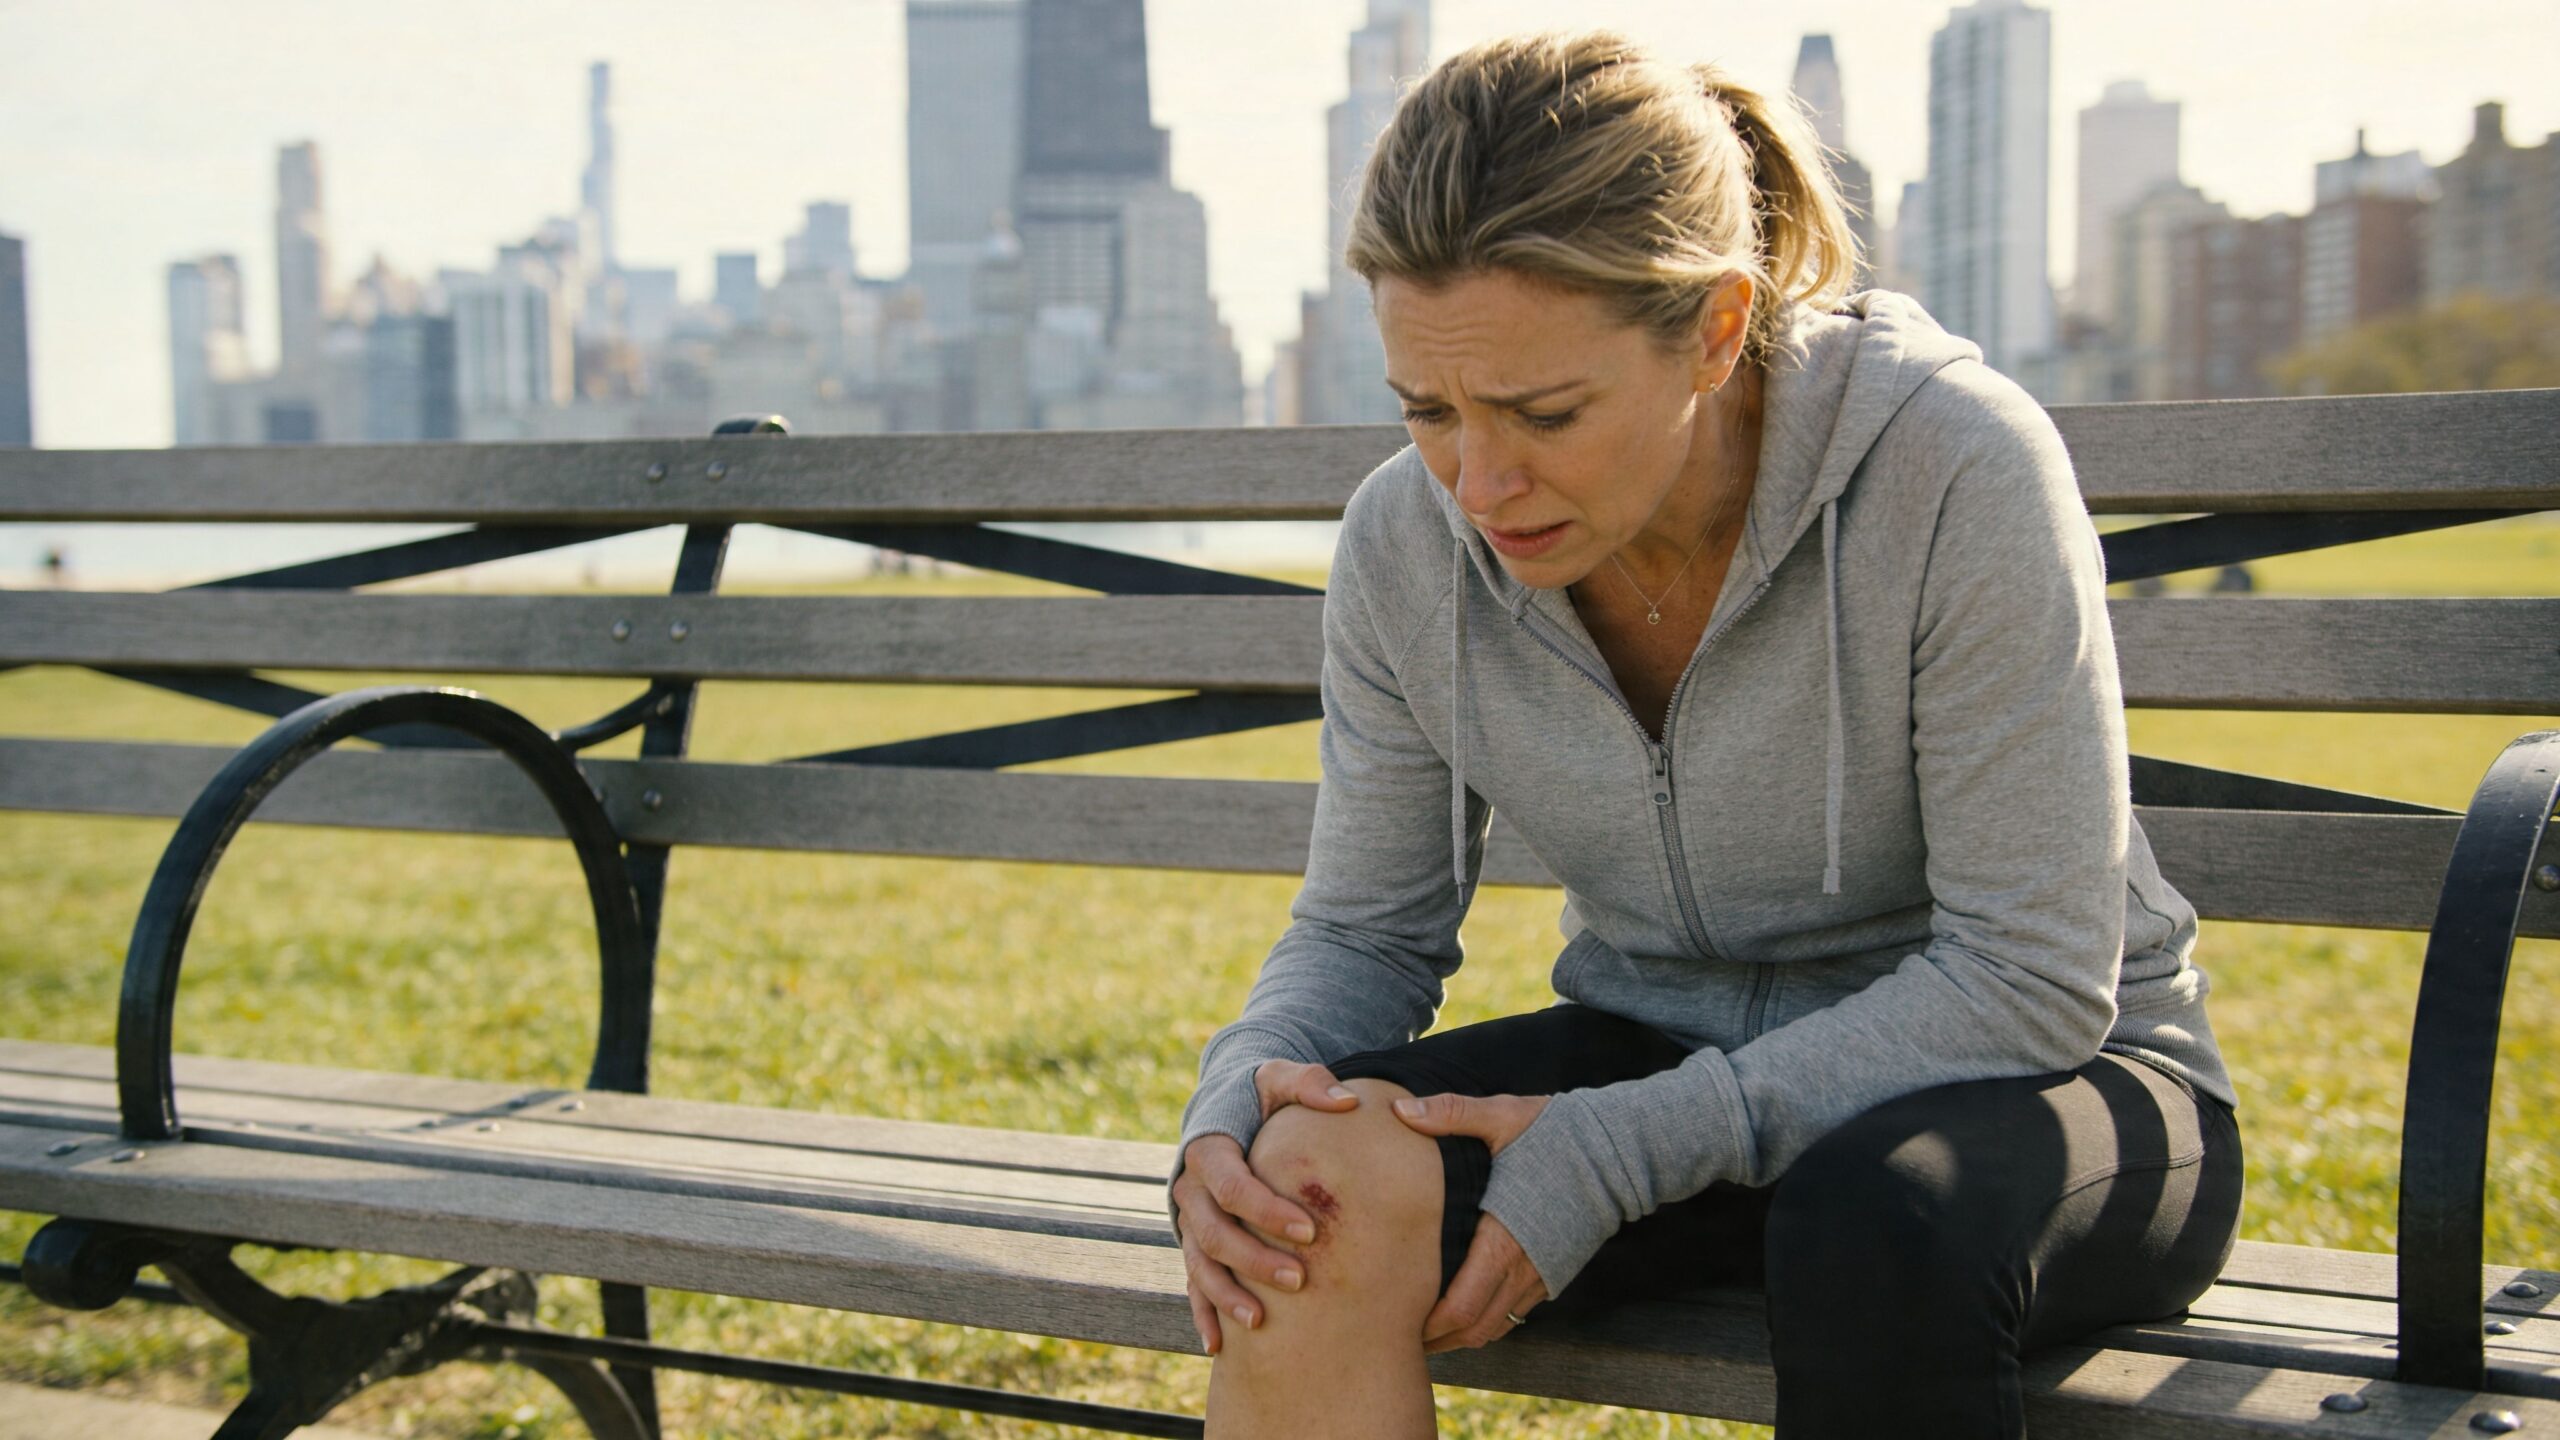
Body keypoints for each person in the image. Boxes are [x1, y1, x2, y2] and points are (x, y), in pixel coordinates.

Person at [1167, 30, 2243, 1440]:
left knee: (1876, 1221)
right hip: (1660, 1052)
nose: (1477, 483)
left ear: (1720, 328)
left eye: (1544, 413)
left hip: (2047, 1088)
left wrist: (1629, 1145)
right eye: (1428, 411)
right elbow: (1367, 932)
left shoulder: (1955, 465)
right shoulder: (1405, 542)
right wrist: (1232, 1108)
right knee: (1304, 1186)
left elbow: (2030, 976)